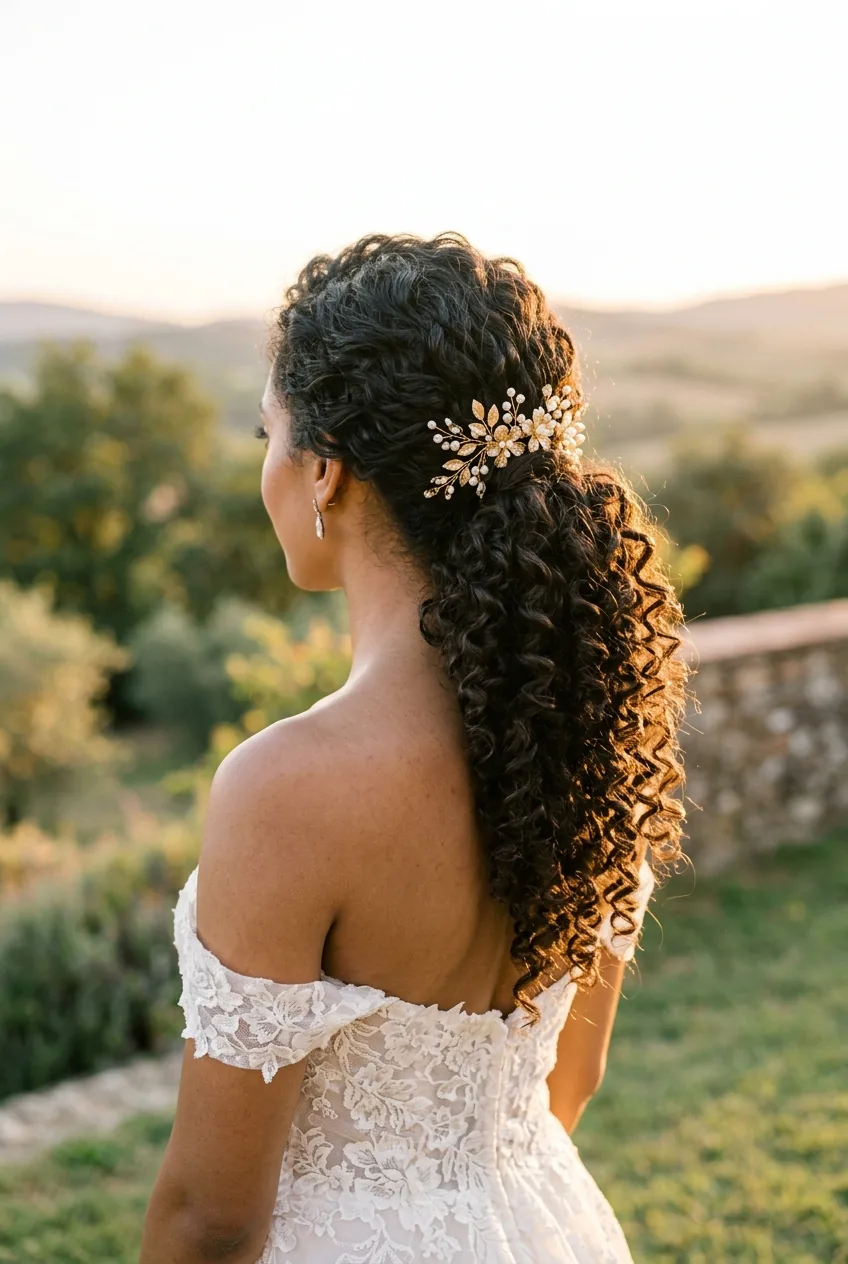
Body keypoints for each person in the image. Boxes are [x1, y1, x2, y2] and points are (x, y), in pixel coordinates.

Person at [140, 232, 688, 1263]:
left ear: (325, 474)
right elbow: (569, 1083)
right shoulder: (596, 712)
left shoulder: (285, 786)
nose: (265, 464)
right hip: (539, 1225)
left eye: (268, 432)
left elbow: (211, 1216)